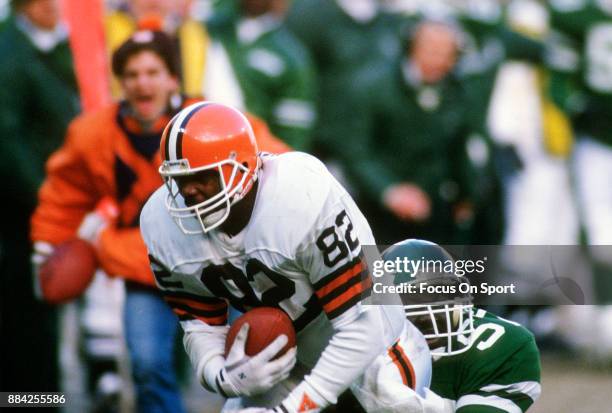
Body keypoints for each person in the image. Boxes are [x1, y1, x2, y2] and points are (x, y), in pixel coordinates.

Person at [138, 102, 438, 412]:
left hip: (376, 351)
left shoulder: (300, 198)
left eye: (203, 177)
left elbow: (362, 328)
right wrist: (225, 377)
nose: (190, 192)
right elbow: (199, 324)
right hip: (290, 362)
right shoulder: (162, 224)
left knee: (392, 400)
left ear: (241, 167)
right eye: (180, 180)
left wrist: (294, 409)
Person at [0, 0, 79, 394]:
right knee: (26, 325)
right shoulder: (10, 53)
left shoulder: (49, 48)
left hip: (38, 209)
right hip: (18, 216)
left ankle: (37, 398)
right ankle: (32, 402)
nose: (54, 6)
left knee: (38, 320)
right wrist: (46, 200)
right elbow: (6, 140)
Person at [383, 239, 542, 412]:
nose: (430, 315)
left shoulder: (498, 347)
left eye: (441, 294)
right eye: (415, 299)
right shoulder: (362, 341)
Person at [204, 0, 317, 151]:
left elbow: (293, 134)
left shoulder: (291, 57)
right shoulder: (211, 27)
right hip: (198, 136)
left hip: (252, 154)